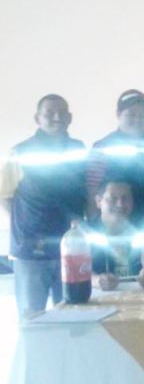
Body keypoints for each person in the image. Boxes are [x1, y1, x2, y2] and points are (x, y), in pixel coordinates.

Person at [0, 94, 86, 315]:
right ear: (37, 118)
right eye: (49, 113)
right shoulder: (19, 152)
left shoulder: (79, 149)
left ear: (70, 117)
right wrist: (27, 224)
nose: (56, 117)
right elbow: (4, 195)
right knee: (31, 317)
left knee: (73, 314)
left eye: (62, 112)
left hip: (71, 249)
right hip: (31, 250)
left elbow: (84, 191)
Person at [85, 89, 144, 230]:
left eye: (142, 115)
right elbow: (92, 188)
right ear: (118, 115)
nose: (137, 120)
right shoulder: (102, 146)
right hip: (112, 225)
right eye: (132, 115)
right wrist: (93, 222)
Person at [85, 179, 144, 290]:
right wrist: (98, 281)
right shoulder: (84, 233)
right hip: (97, 297)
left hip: (140, 294)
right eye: (113, 199)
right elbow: (78, 271)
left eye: (125, 198)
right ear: (98, 201)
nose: (120, 204)